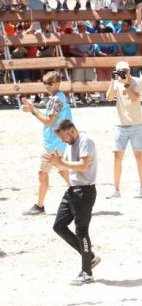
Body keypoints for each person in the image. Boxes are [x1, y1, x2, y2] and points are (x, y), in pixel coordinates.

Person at [46, 119, 101, 285]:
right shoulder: (70, 145)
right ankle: (90, 257)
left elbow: (83, 166)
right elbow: (65, 168)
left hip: (85, 191)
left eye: (64, 137)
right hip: (72, 190)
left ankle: (87, 273)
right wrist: (56, 163)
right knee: (59, 226)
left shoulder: (85, 141)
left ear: (71, 130)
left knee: (81, 231)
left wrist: (62, 163)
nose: (63, 141)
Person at [20, 71, 72, 216]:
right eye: (45, 83)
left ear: (56, 83)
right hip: (58, 142)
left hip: (54, 144)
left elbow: (49, 121)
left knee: (43, 173)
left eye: (48, 83)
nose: (46, 86)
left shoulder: (56, 99)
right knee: (63, 171)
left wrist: (32, 110)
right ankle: (80, 197)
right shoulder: (59, 98)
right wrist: (32, 109)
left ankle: (39, 206)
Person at [106, 61, 142, 199]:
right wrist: (112, 82)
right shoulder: (116, 82)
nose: (124, 73)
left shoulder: (137, 81)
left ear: (130, 71)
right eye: (121, 71)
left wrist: (125, 84)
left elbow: (135, 98)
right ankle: (116, 190)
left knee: (139, 156)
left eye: (126, 71)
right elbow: (109, 98)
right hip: (120, 124)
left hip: (136, 124)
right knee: (117, 157)